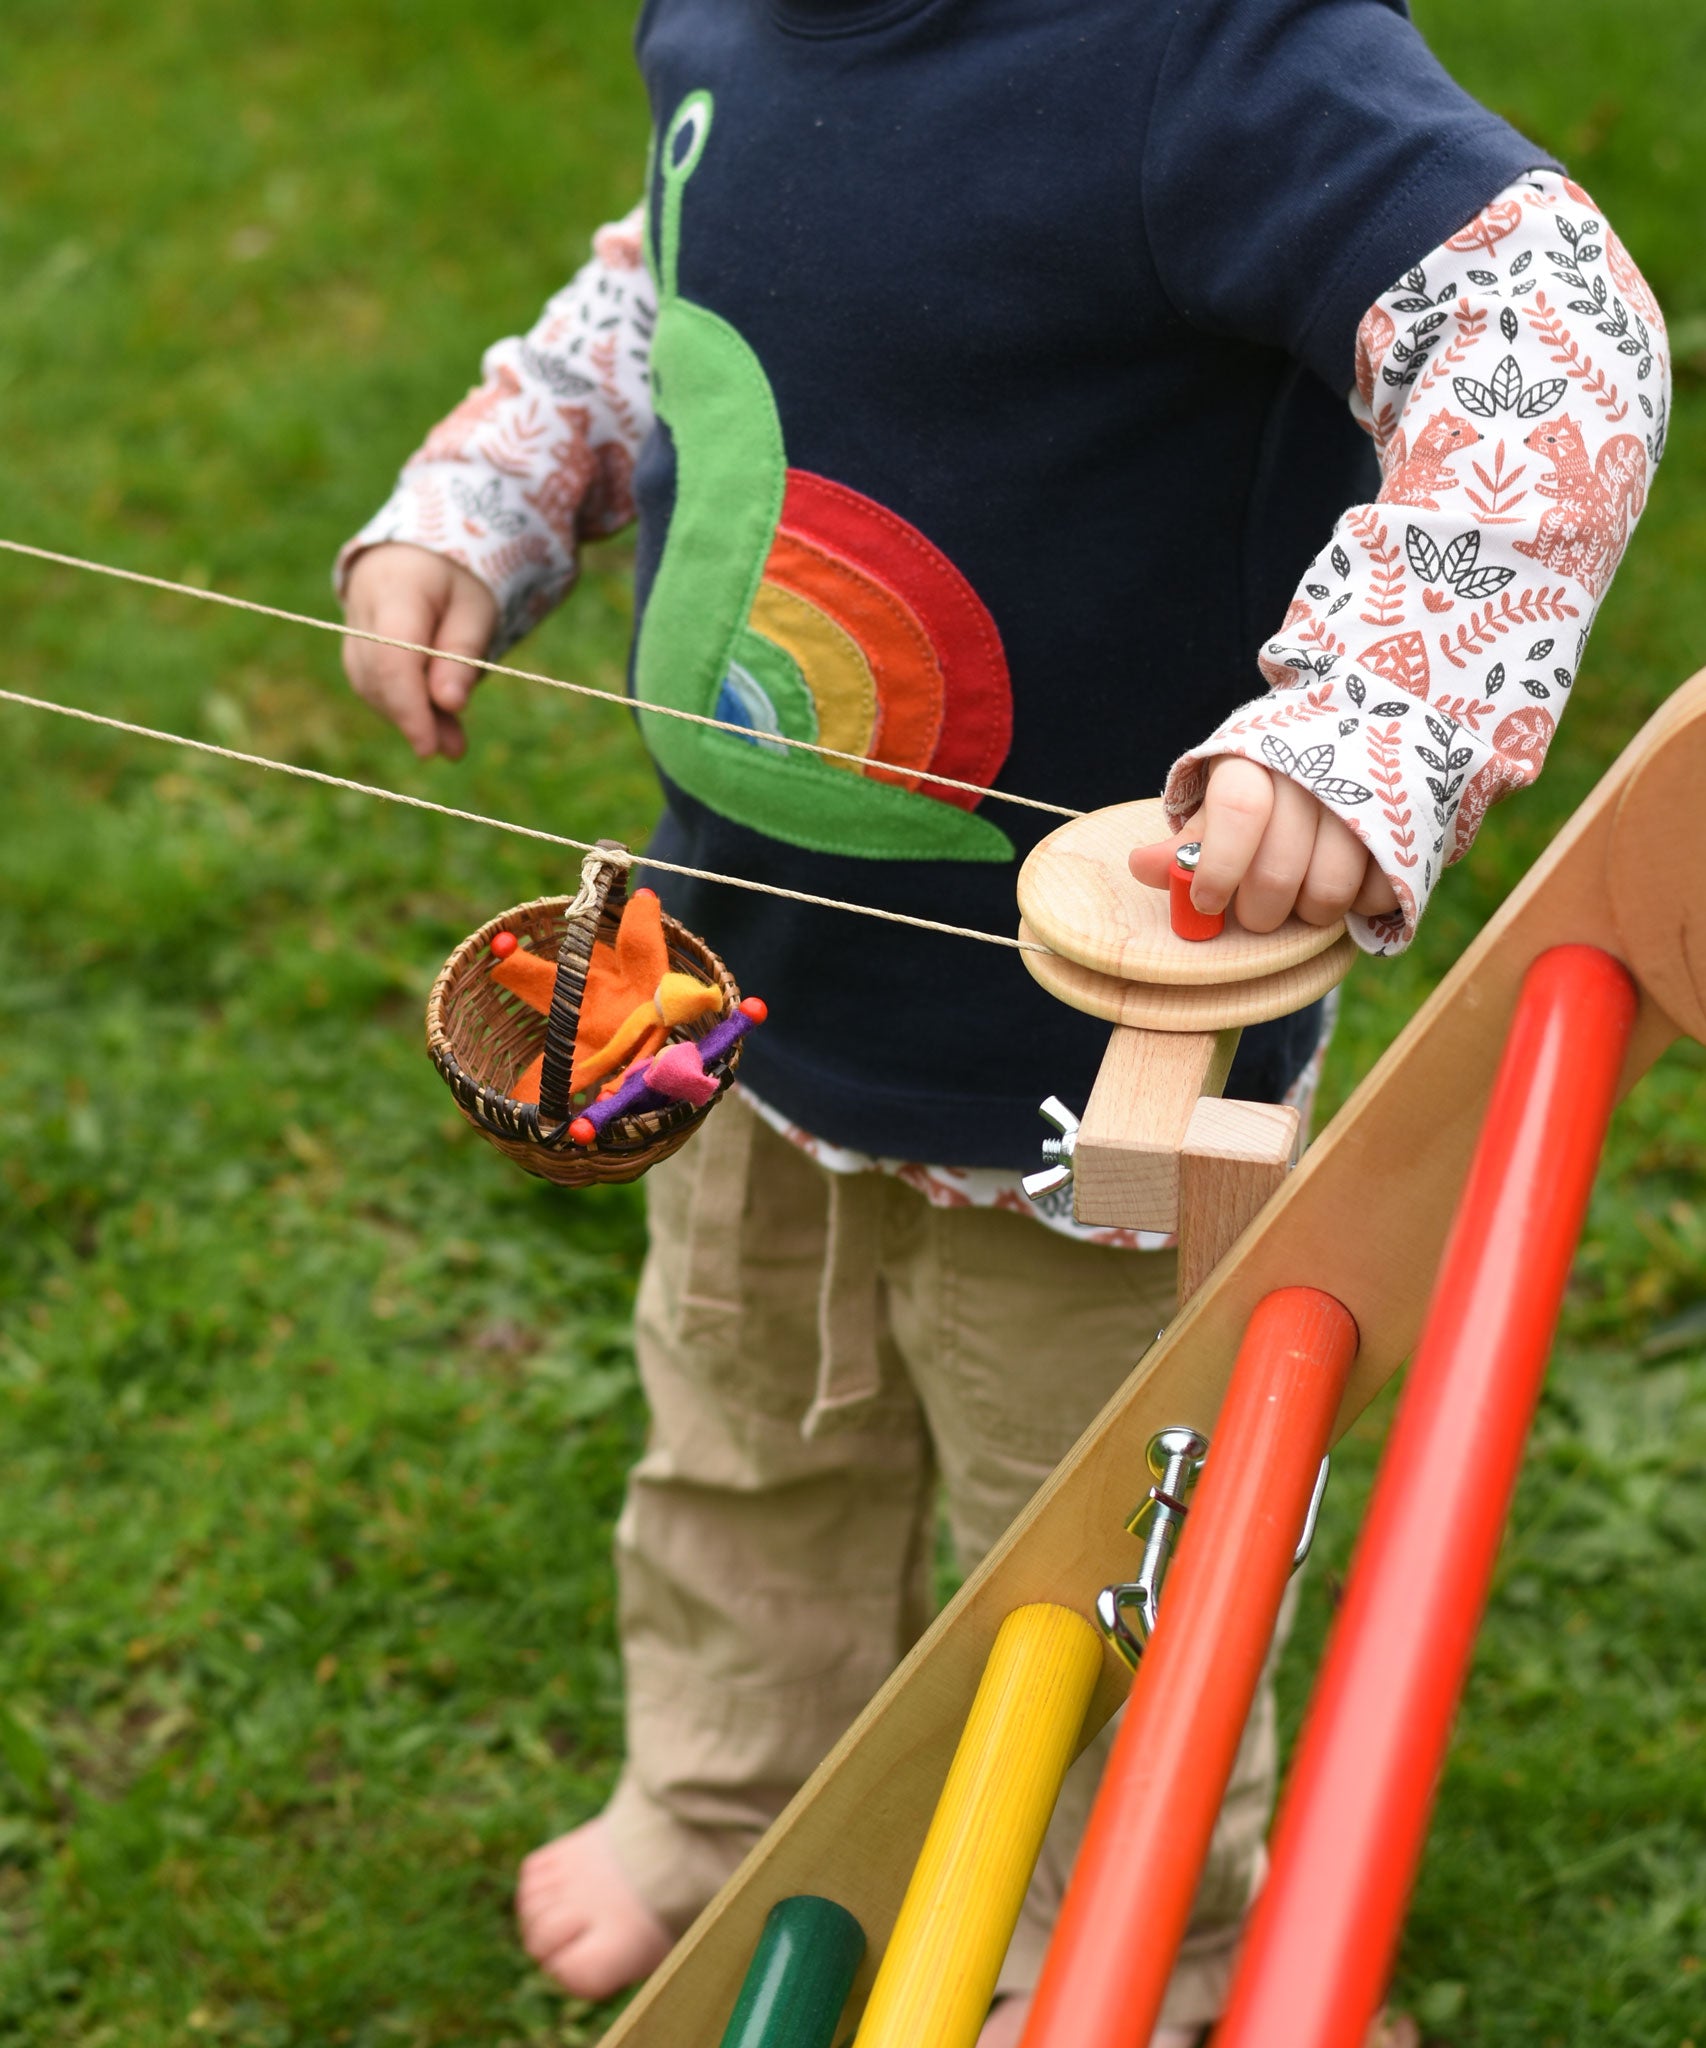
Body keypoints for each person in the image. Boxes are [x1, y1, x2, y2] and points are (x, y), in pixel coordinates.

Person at [337, 3, 1669, 2039]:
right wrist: (493, 488)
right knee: (742, 1453)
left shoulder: (1210, 55)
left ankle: (1150, 1949)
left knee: (1119, 1566)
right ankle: (726, 1803)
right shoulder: (734, 22)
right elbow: (673, 279)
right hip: (753, 997)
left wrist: (1367, 715)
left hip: (1105, 1070)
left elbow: (1543, 324)